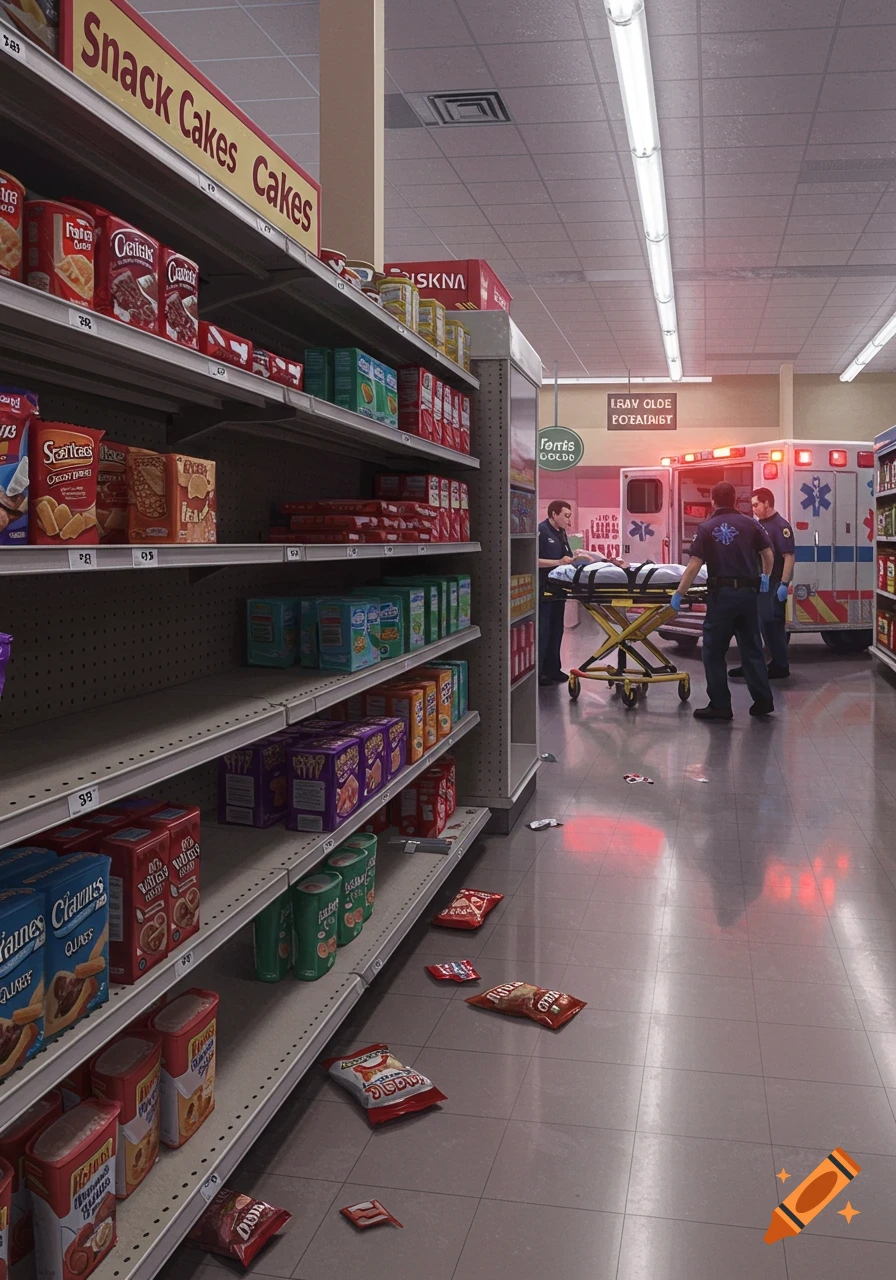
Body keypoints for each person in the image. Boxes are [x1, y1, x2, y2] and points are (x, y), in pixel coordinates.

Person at [671, 481, 775, 720]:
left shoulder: (707, 527)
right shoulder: (751, 524)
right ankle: (763, 700)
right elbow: (768, 555)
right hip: (748, 596)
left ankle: (720, 705)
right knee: (752, 649)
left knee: (714, 651)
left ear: (713, 501)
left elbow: (695, 564)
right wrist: (765, 578)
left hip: (722, 597)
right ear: (736, 500)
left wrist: (679, 593)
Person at [538, 499, 622, 686]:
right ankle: (541, 671)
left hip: (559, 590)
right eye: (566, 515)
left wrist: (578, 558)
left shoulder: (561, 534)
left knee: (556, 630)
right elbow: (533, 560)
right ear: (553, 515)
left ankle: (554, 669)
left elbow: (566, 557)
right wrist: (558, 562)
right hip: (544, 589)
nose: (569, 520)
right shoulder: (542, 532)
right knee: (543, 630)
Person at [729, 487, 795, 680]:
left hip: (773, 582)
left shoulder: (780, 526)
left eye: (756, 505)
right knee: (754, 625)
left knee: (771, 625)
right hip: (757, 582)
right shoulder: (757, 525)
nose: (754, 509)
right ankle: (751, 665)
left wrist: (783, 584)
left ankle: (780, 665)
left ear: (767, 503)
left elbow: (788, 557)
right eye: (752, 505)